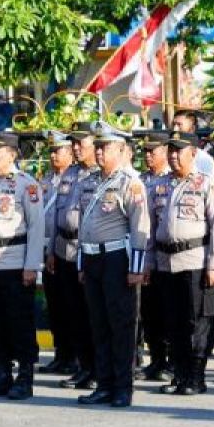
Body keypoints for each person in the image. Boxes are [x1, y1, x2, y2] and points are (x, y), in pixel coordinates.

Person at [148, 128, 214, 395]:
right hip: (166, 262)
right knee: (173, 323)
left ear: (193, 153)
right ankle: (180, 375)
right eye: (170, 150)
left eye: (178, 151)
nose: (173, 156)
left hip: (196, 261)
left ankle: (196, 376)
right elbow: (150, 228)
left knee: (197, 323)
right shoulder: (160, 185)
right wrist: (148, 263)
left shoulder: (208, 184)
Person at [75, 126, 151, 408]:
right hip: (93, 259)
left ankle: (123, 386)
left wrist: (136, 268)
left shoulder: (131, 183)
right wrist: (82, 263)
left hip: (117, 259)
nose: (98, 151)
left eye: (105, 147)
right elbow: (84, 225)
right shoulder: (92, 181)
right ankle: (104, 383)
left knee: (121, 325)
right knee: (99, 324)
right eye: (97, 146)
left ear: (120, 150)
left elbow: (140, 227)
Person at [0, 131, 45, 400]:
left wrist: (32, 265)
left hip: (15, 262)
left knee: (19, 323)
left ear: (11, 155)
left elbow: (37, 228)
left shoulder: (26, 185)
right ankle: (2, 375)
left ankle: (25, 377)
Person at [47, 122, 99, 389]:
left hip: (87, 250)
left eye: (81, 144)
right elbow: (58, 213)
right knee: (73, 313)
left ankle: (96, 369)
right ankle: (82, 365)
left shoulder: (100, 175)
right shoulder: (70, 175)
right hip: (64, 250)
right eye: (74, 144)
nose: (76, 149)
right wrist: (52, 251)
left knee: (92, 314)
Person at [134, 129, 173, 381]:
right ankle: (156, 359)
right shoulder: (139, 180)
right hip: (145, 254)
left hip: (166, 256)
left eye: (153, 152)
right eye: (145, 152)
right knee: (148, 312)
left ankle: (170, 362)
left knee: (168, 311)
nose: (148, 157)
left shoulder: (170, 181)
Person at [39, 131, 78, 376]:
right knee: (55, 306)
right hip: (50, 250)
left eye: (59, 150)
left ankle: (73, 355)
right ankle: (61, 353)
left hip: (69, 251)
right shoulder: (45, 181)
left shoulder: (75, 179)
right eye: (51, 151)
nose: (53, 155)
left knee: (71, 305)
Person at [172, 110, 214, 177]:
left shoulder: (204, 160)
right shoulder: (168, 157)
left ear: (192, 128)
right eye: (173, 124)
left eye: (179, 125)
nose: (175, 129)